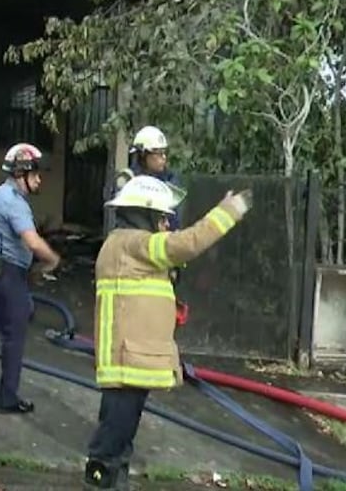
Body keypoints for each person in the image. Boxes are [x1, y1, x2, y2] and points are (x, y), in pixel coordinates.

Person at [84, 176, 252, 489]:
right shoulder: (133, 243)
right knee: (112, 438)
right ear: (143, 214)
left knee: (121, 436)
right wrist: (228, 211)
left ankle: (112, 479)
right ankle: (100, 481)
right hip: (126, 359)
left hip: (131, 357)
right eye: (161, 217)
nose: (165, 224)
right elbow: (184, 245)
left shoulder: (127, 245)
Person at [0, 142, 61, 414]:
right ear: (22, 173)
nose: (39, 179)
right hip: (7, 272)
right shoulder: (14, 202)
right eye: (35, 174)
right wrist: (53, 259)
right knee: (15, 335)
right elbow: (32, 241)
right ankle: (7, 398)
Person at [107, 126, 185, 231]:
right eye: (158, 153)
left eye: (164, 152)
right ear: (143, 154)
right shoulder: (127, 181)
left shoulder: (169, 180)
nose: (164, 157)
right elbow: (124, 220)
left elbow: (174, 221)